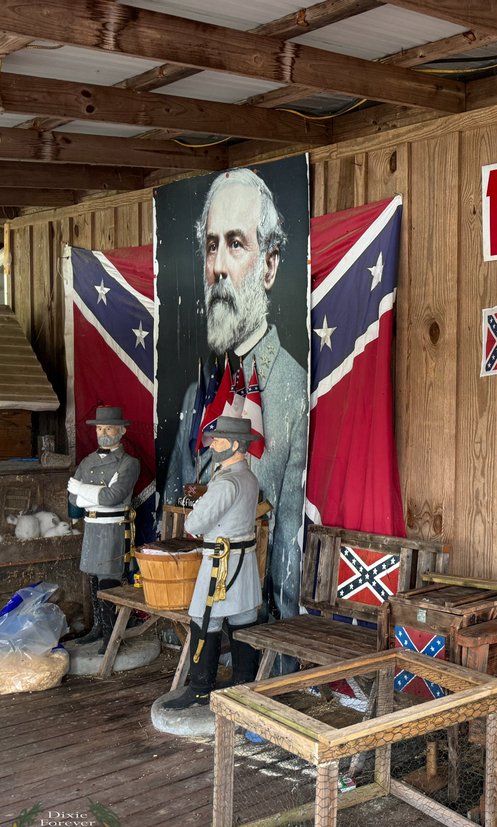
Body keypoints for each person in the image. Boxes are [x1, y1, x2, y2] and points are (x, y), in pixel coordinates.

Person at [164, 167, 307, 627]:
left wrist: (282, 657)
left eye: (236, 244)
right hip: (202, 585)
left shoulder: (292, 389)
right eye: (211, 245)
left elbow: (289, 534)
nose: (219, 266)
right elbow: (175, 501)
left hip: (249, 597)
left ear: (269, 264)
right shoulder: (199, 392)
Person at [163, 417, 262, 710]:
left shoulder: (227, 482)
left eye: (218, 440)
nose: (213, 444)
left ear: (234, 444)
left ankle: (199, 689)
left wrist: (197, 509)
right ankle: (244, 681)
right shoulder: (249, 478)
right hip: (243, 561)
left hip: (220, 563)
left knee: (203, 619)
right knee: (243, 618)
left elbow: (195, 523)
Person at [67, 406, 139, 654]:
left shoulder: (129, 463)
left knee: (108, 581)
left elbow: (113, 497)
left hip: (112, 527)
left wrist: (84, 490)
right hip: (92, 526)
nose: (102, 433)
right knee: (93, 578)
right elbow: (72, 499)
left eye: (108, 428)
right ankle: (98, 628)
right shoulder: (87, 461)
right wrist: (92, 495)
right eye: (99, 428)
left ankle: (111, 636)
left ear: (121, 430)